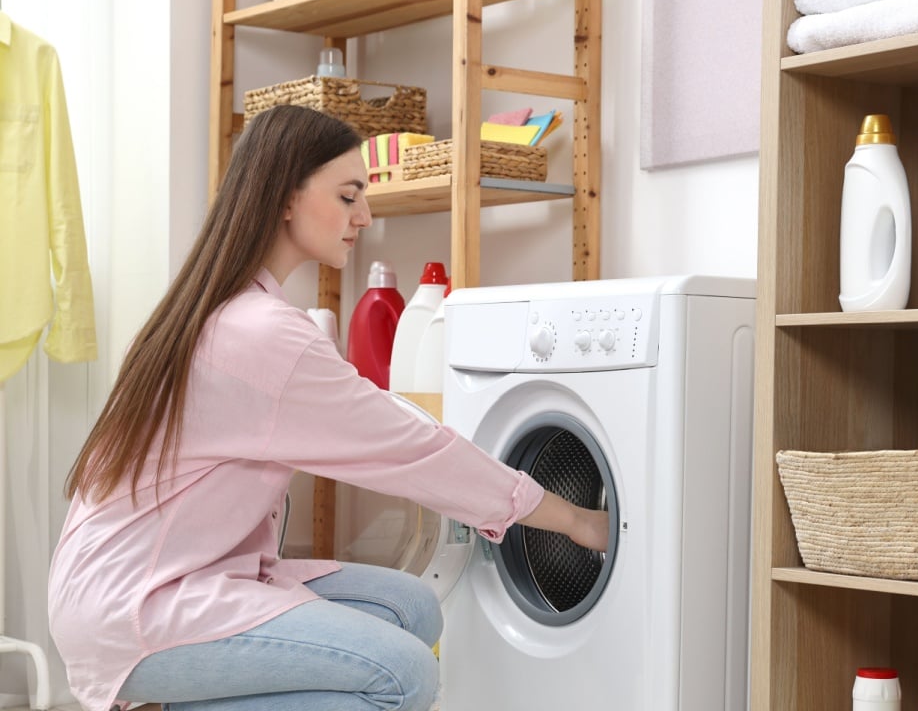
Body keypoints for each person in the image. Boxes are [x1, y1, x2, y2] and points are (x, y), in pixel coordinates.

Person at [47, 104, 610, 711]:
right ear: (287, 198)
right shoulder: (260, 334)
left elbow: (398, 442)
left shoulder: (219, 309)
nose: (364, 216)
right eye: (348, 197)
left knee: (412, 608)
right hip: (141, 603)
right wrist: (575, 520)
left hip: (145, 580)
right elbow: (413, 452)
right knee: (404, 674)